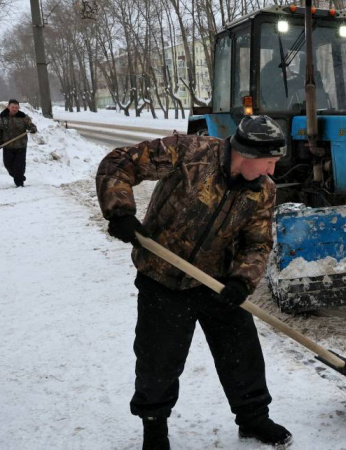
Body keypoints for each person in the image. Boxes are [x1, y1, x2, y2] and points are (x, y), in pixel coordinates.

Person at [95, 116, 290, 450]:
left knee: (242, 352)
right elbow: (120, 163)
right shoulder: (189, 153)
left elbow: (256, 243)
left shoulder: (263, 191)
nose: (272, 171)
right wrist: (121, 212)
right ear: (246, 152)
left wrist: (242, 281)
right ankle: (154, 428)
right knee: (159, 358)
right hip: (162, 276)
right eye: (269, 162)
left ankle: (253, 418)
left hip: (216, 281)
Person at [0, 99, 37, 187]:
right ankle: (19, 177)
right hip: (7, 146)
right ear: (8, 107)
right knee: (8, 165)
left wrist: (32, 129)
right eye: (13, 107)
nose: (14, 109)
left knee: (19, 166)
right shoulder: (0, 118)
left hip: (21, 146)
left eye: (16, 107)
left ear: (19, 108)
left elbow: (32, 126)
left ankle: (19, 183)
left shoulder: (23, 117)